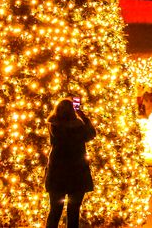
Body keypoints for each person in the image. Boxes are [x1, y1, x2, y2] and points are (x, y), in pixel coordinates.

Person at [44, 97, 97, 228]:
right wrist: (82, 115)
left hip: (57, 174)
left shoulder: (53, 126)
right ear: (73, 112)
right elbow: (92, 133)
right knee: (73, 212)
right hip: (77, 174)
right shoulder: (78, 128)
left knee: (55, 211)